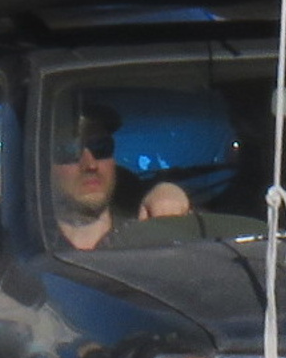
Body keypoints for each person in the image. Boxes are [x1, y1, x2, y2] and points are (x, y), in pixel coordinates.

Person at [51, 105, 192, 252]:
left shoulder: (148, 237)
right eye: (70, 151)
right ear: (41, 163)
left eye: (101, 148)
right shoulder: (29, 250)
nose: (91, 165)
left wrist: (171, 198)